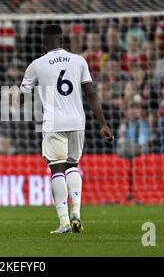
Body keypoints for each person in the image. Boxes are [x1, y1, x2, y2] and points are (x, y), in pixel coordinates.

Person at [20, 24, 113, 234]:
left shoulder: (36, 65)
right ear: (62, 41)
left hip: (54, 123)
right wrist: (103, 124)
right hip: (77, 121)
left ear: (44, 43)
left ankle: (63, 222)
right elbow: (90, 94)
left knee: (56, 169)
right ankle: (76, 214)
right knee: (73, 166)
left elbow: (22, 98)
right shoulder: (79, 61)